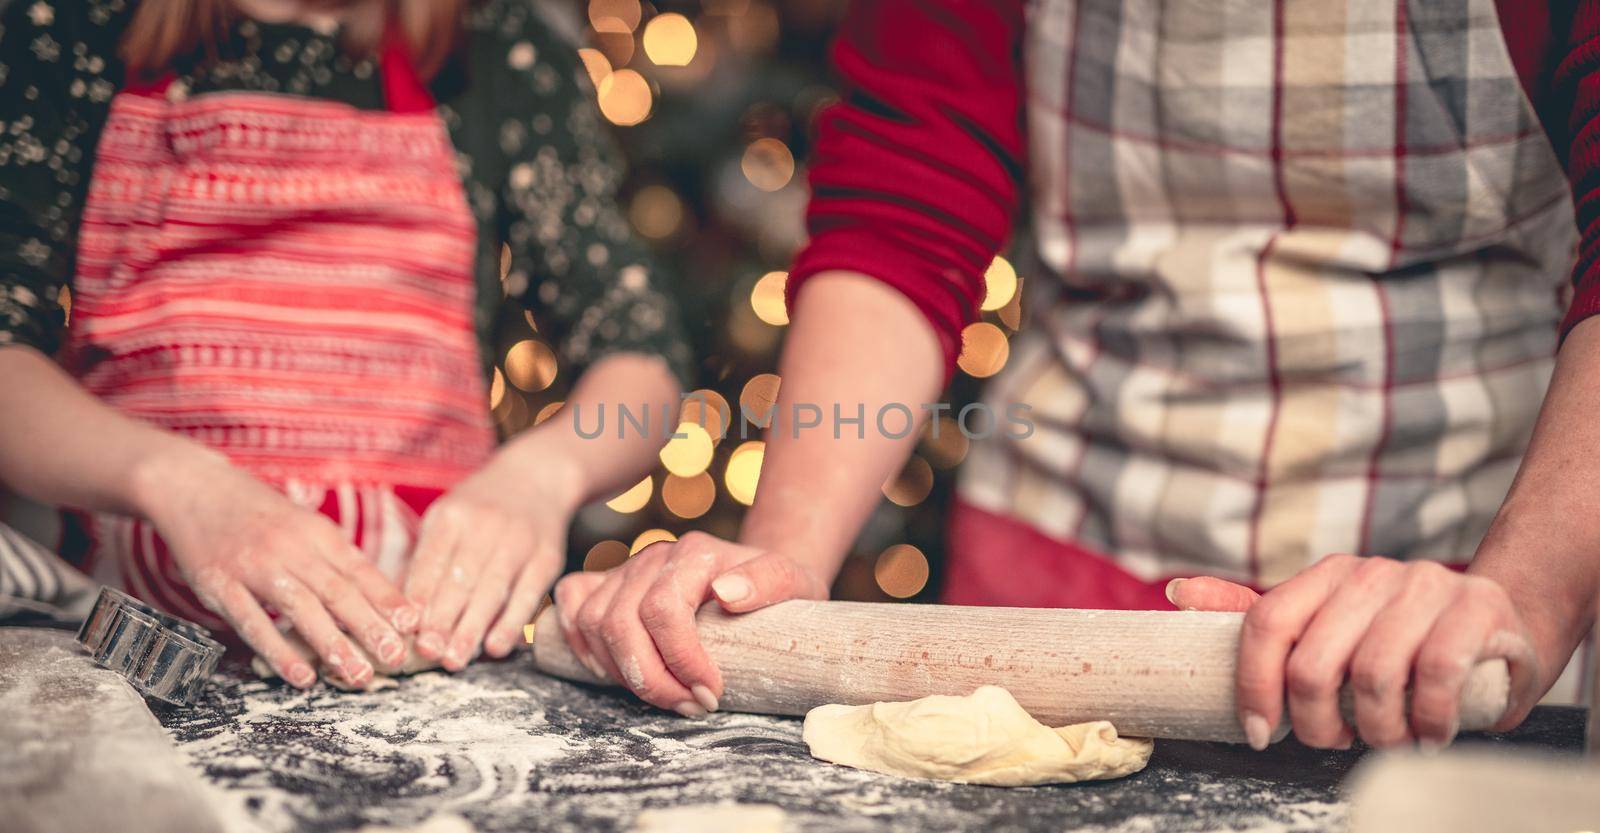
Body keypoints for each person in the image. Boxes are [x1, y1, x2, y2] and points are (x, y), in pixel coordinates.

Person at [555, 0, 1600, 748]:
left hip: (1439, 574)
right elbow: (902, 209)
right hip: (1056, 567)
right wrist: (776, 563)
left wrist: (1519, 594)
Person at [0, 0, 690, 690]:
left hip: (435, 656)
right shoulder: (73, 30)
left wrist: (542, 475)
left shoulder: (493, 44)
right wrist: (181, 483)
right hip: (137, 655)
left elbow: (642, 358)